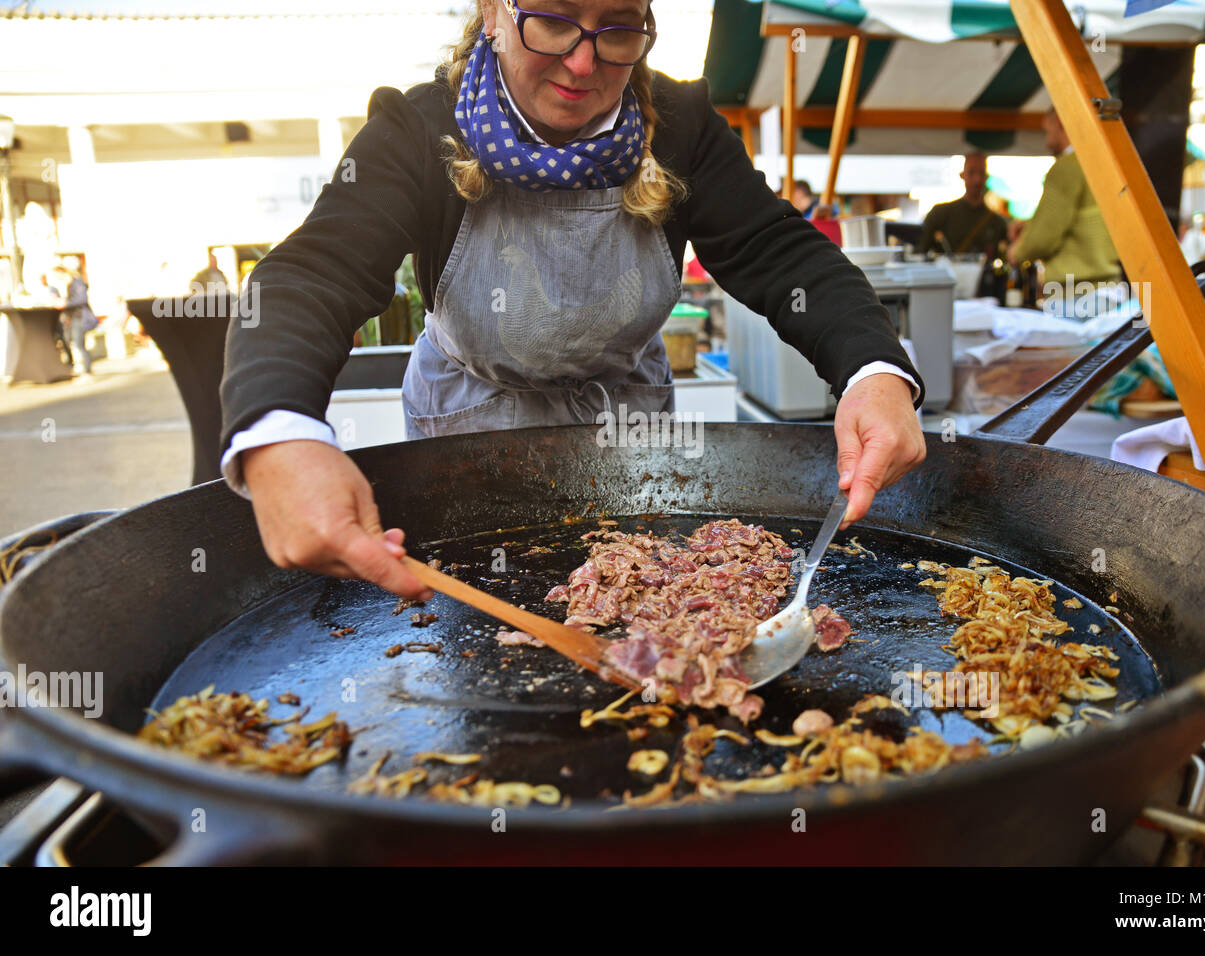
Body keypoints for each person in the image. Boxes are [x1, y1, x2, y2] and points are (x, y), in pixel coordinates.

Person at [219, 0, 927, 602]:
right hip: (468, 431)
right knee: (478, 628)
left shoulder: (679, 124)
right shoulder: (418, 128)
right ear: (494, 12)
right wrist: (281, 430)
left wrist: (873, 369)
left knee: (644, 609)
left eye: (617, 26)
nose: (583, 63)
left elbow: (777, 250)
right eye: (554, 19)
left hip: (628, 437)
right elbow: (315, 273)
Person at [1009, 109, 1120, 293]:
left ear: (1060, 123)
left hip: (1076, 291)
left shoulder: (1067, 167)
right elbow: (1081, 219)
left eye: (1047, 130)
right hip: (1109, 287)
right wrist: (1029, 226)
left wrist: (1017, 251)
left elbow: (1043, 236)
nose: (1046, 140)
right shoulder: (1103, 163)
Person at [918, 153, 1007, 256]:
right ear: (962, 175)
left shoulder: (996, 222)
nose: (977, 179)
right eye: (971, 172)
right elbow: (921, 250)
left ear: (986, 177)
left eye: (981, 173)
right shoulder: (940, 213)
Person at [51, 261, 97, 376]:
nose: (57, 278)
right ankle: (83, 368)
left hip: (79, 317)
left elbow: (82, 299)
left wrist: (65, 303)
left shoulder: (77, 283)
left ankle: (86, 370)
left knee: (78, 344)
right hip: (74, 317)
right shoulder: (69, 285)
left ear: (63, 272)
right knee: (76, 343)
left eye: (58, 275)